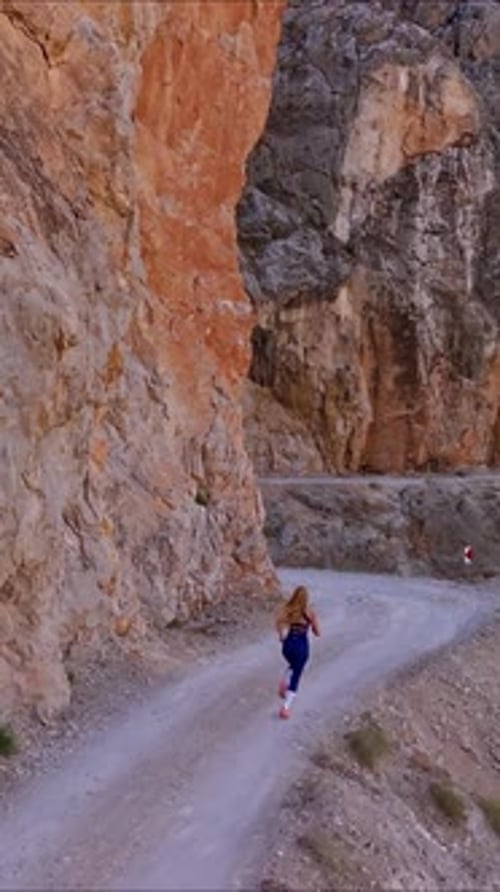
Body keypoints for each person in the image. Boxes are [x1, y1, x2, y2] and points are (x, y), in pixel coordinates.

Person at [275, 585, 320, 719]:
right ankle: (286, 708)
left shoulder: (288, 610)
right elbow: (317, 633)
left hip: (287, 646)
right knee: (297, 675)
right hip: (301, 647)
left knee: (293, 665)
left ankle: (284, 682)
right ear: (306, 599)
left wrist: (281, 636)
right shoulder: (310, 613)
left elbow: (278, 623)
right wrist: (312, 626)